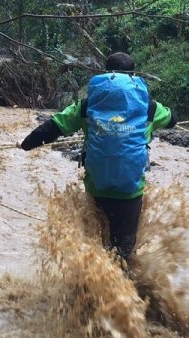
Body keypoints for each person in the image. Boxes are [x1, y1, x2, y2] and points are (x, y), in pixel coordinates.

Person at [19, 52, 176, 263]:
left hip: (97, 187)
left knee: (97, 242)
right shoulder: (149, 107)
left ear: (105, 73)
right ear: (133, 75)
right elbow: (172, 120)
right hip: (131, 191)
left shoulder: (87, 106)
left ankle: (93, 283)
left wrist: (26, 144)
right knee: (124, 250)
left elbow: (53, 126)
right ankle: (123, 285)